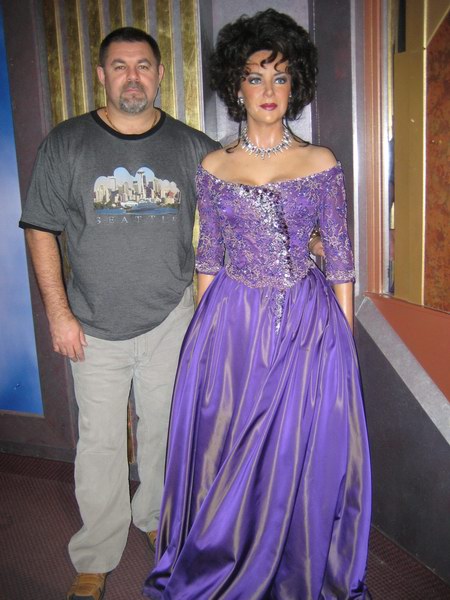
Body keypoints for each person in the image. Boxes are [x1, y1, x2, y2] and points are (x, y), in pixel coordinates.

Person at [145, 9, 371, 599]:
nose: (268, 89)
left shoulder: (322, 162)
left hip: (307, 323)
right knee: (229, 440)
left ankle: (294, 560)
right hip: (234, 323)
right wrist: (203, 342)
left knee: (298, 444)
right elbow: (208, 257)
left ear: (296, 85)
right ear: (236, 85)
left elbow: (341, 258)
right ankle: (228, 551)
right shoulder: (214, 167)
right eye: (255, 76)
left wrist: (343, 342)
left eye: (280, 77)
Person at [19, 27, 219, 600]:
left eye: (143, 66)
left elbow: (242, 204)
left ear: (159, 74)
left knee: (164, 432)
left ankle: (155, 517)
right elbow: (41, 229)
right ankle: (96, 553)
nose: (133, 77)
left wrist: (307, 236)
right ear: (101, 75)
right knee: (100, 443)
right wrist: (58, 314)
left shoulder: (193, 147)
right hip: (92, 323)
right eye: (120, 66)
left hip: (170, 318)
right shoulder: (68, 143)